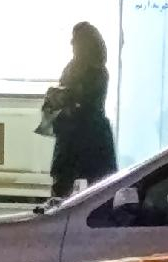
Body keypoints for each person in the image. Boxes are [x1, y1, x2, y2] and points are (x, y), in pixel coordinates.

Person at [44, 22, 117, 200]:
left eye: (75, 40)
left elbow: (85, 99)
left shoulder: (96, 72)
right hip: (80, 133)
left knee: (97, 184)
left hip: (85, 133)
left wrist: (63, 96)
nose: (71, 43)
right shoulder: (75, 67)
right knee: (72, 183)